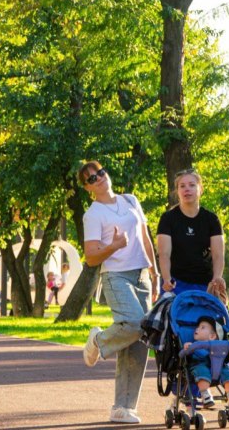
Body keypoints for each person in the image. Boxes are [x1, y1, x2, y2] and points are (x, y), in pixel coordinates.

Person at [79, 161, 158, 424]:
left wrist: (155, 273)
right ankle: (99, 341)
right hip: (115, 276)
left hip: (142, 275)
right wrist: (113, 246)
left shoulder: (131, 200)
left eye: (100, 173)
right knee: (135, 323)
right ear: (89, 188)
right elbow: (90, 257)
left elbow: (145, 238)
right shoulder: (93, 214)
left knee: (139, 338)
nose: (98, 178)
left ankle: (122, 407)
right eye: (91, 179)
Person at [157, 168, 227, 406]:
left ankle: (205, 384)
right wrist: (166, 279)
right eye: (182, 186)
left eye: (191, 185)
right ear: (177, 191)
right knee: (175, 337)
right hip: (176, 283)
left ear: (200, 189)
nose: (187, 189)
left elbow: (218, 254)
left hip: (204, 286)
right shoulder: (168, 219)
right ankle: (183, 387)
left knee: (208, 333)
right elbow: (164, 254)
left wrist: (217, 278)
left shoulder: (210, 219)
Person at [182, 316, 229, 410]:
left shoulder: (223, 346)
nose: (197, 329)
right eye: (198, 327)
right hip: (200, 368)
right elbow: (183, 353)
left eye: (202, 327)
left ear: (212, 336)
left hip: (220, 368)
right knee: (201, 370)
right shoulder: (194, 345)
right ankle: (205, 394)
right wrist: (186, 347)